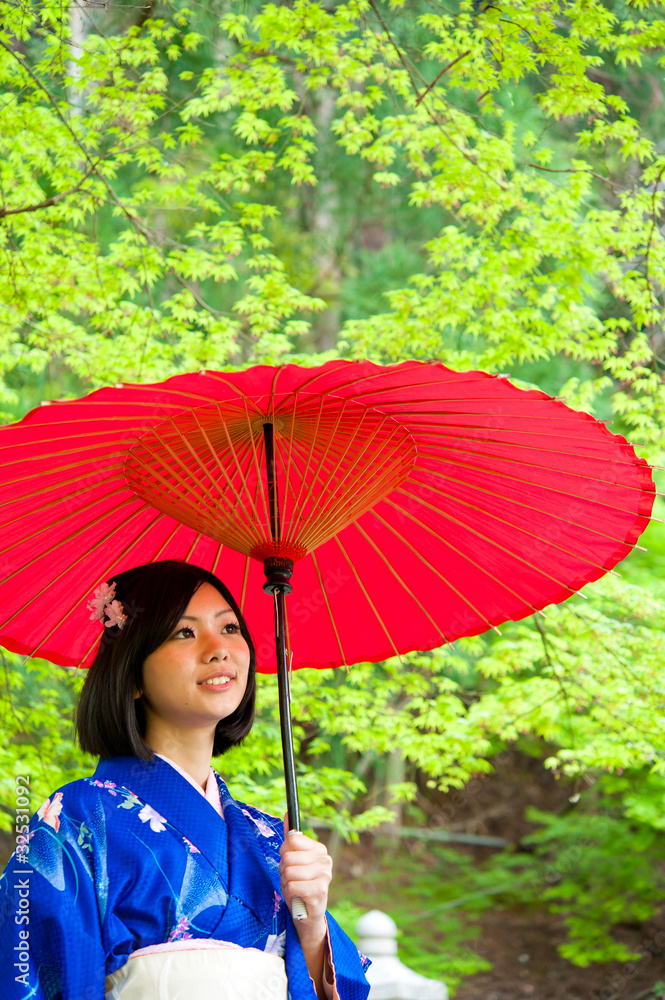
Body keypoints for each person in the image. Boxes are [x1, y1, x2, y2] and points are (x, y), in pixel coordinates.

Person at [0, 560, 370, 1000]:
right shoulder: (77, 822)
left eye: (230, 628)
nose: (220, 649)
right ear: (133, 672)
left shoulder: (273, 840)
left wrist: (311, 929)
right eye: (184, 632)